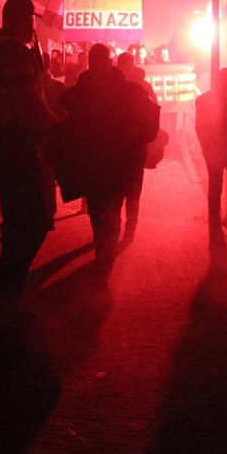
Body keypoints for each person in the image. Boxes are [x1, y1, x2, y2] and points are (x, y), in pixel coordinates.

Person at [0, 0, 66, 318]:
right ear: (21, 19)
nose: (33, 27)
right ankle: (5, 291)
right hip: (13, 146)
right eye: (31, 20)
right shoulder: (14, 51)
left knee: (17, 220)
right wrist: (55, 117)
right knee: (35, 222)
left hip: (1, 145)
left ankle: (5, 290)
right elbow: (28, 100)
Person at [51, 44, 159, 284]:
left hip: (92, 166)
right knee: (109, 214)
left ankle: (104, 261)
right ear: (110, 62)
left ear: (90, 62)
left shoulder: (75, 94)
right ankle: (104, 262)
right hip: (119, 166)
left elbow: (58, 133)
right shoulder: (131, 92)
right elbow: (151, 125)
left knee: (101, 214)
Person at [195, 67, 227, 235]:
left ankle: (216, 221)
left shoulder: (204, 99)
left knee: (216, 184)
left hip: (219, 149)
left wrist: (206, 147)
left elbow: (200, 127)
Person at [117, 51, 157, 240]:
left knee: (121, 187)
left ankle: (120, 227)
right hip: (133, 145)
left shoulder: (114, 85)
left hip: (120, 145)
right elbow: (154, 111)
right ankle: (129, 228)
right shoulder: (142, 87)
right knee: (132, 188)